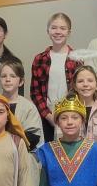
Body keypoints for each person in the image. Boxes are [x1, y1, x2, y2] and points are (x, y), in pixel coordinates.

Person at [30, 12, 77, 143]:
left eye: (63, 28)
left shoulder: (77, 59)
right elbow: (35, 93)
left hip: (71, 117)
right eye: (54, 28)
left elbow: (81, 91)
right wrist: (49, 116)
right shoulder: (39, 59)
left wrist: (69, 115)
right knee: (50, 152)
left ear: (69, 32)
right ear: (48, 31)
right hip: (47, 119)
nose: (58, 32)